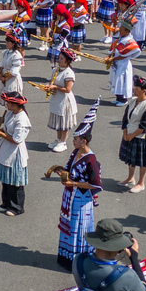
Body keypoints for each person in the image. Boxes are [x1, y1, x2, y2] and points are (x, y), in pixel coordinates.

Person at [56, 102, 102, 270]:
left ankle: (78, 260)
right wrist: (62, 173)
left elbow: (94, 183)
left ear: (83, 141)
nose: (72, 141)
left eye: (75, 139)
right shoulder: (75, 152)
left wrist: (73, 183)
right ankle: (67, 257)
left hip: (82, 200)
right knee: (69, 227)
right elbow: (68, 168)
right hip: (70, 196)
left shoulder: (91, 159)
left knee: (78, 228)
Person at [0, 91, 31, 216]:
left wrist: (1, 134)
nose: (6, 104)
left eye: (8, 102)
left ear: (15, 104)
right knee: (6, 179)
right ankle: (7, 202)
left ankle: (17, 207)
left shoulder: (22, 119)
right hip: (6, 150)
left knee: (15, 181)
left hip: (15, 153)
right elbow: (6, 128)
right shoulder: (9, 113)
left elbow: (16, 139)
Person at [119, 77, 146, 193]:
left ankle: (141, 183)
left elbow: (145, 125)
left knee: (141, 161)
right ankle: (130, 178)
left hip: (140, 136)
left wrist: (132, 135)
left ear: (144, 91)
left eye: (137, 88)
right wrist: (125, 132)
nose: (134, 90)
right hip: (129, 133)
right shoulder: (132, 101)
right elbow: (125, 117)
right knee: (130, 158)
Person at [47, 48, 78, 153]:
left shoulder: (69, 73)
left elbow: (68, 89)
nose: (59, 60)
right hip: (57, 99)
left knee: (64, 123)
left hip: (65, 101)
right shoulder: (55, 69)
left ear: (67, 60)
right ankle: (58, 140)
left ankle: (63, 142)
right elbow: (53, 82)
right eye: (59, 58)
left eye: (61, 58)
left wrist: (55, 87)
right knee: (58, 121)